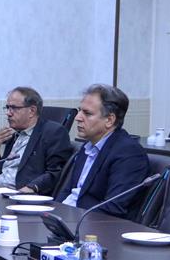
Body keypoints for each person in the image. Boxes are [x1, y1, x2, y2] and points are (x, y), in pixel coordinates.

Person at [61, 84, 150, 217]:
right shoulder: (87, 146)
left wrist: (70, 218)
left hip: (91, 223)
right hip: (67, 217)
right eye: (80, 111)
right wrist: (52, 213)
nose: (77, 117)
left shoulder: (129, 153)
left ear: (109, 120)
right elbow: (68, 191)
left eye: (87, 113)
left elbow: (113, 208)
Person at [0, 86, 73, 194]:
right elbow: (3, 171)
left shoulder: (54, 132)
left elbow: (56, 172)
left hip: (20, 194)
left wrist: (32, 187)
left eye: (14, 108)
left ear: (32, 111)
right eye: (8, 107)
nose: (8, 113)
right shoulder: (13, 133)